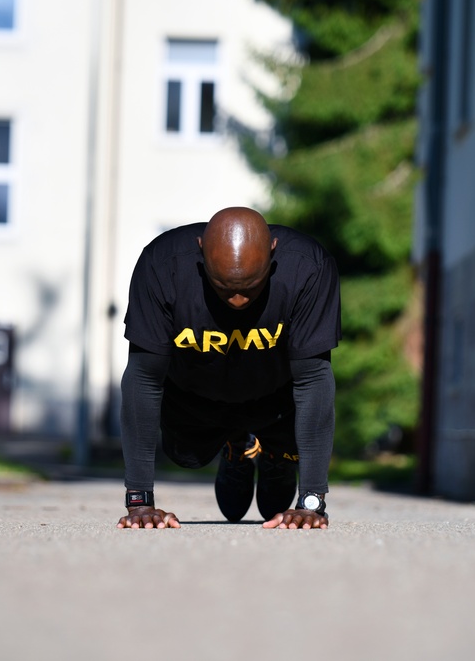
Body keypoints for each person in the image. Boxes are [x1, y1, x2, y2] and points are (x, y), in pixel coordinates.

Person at [116, 206, 341, 530]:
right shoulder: (162, 265)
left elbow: (314, 379)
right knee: (185, 457)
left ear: (273, 255)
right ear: (200, 253)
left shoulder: (308, 268)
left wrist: (312, 501)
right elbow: (143, 377)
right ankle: (239, 444)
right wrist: (139, 502)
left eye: (250, 286)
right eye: (224, 286)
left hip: (274, 400)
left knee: (273, 509)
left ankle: (273, 453)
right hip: (195, 398)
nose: (237, 300)